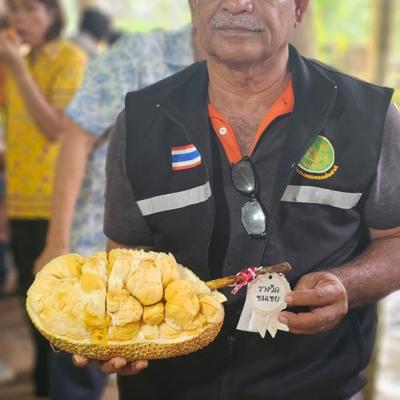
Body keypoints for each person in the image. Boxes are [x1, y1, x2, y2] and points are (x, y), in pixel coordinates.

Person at [75, 0, 400, 399]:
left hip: (315, 385)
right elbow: (126, 251)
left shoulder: (366, 118)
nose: (236, 4)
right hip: (168, 388)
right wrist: (126, 329)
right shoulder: (140, 123)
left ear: (299, 9)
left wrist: (347, 285)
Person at [34, 23, 201, 400]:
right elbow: (76, 140)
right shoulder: (140, 57)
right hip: (98, 246)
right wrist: (57, 243)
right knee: (81, 370)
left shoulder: (248, 73)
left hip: (170, 267)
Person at [0, 0, 86, 396]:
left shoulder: (70, 59)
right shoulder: (18, 61)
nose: (19, 18)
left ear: (52, 14)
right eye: (15, 10)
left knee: (59, 304)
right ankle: (44, 384)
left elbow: (56, 129)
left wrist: (17, 70)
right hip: (20, 202)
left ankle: (67, 386)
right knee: (28, 299)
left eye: (29, 9)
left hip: (58, 206)